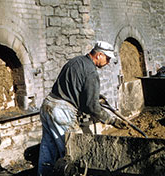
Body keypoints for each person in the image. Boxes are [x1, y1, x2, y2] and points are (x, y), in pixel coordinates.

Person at [38, 41, 125, 174]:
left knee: (48, 148)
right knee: (74, 152)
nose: (108, 62)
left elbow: (73, 86)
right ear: (99, 55)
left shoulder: (75, 61)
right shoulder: (91, 72)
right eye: (107, 58)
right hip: (62, 111)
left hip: (48, 104)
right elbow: (92, 106)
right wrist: (111, 120)